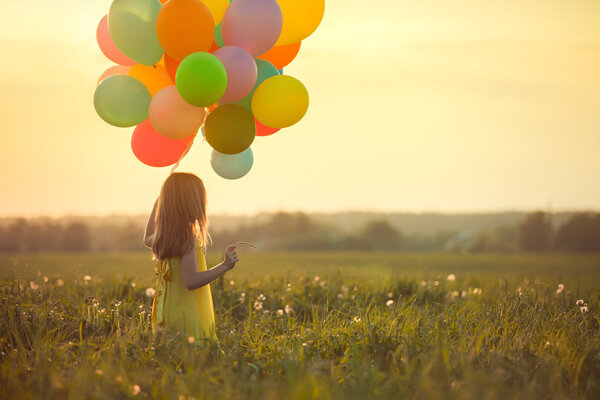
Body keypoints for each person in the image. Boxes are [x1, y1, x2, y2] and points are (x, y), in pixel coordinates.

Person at [143, 172, 238, 343]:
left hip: (167, 313)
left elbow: (147, 237)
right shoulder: (187, 236)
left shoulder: (166, 236)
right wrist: (225, 266)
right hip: (186, 316)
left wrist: (158, 203)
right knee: (194, 361)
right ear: (191, 203)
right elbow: (191, 281)